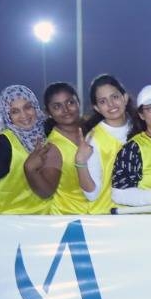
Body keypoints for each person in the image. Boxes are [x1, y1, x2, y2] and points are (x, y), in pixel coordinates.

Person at [0, 84, 52, 214]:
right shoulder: (4, 140)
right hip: (14, 218)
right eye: (15, 111)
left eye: (27, 107)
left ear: (35, 106)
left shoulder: (48, 130)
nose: (24, 115)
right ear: (7, 115)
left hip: (48, 215)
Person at [36, 82, 97, 214]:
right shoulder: (52, 147)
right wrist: (30, 170)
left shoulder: (93, 130)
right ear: (48, 112)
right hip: (68, 218)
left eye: (70, 102)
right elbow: (46, 192)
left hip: (97, 213)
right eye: (57, 106)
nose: (65, 110)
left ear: (78, 102)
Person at [81, 74, 135, 214]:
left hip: (139, 213)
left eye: (115, 97)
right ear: (97, 108)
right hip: (106, 217)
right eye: (103, 101)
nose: (111, 105)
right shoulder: (94, 138)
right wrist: (79, 163)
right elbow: (92, 194)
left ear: (125, 98)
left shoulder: (141, 128)